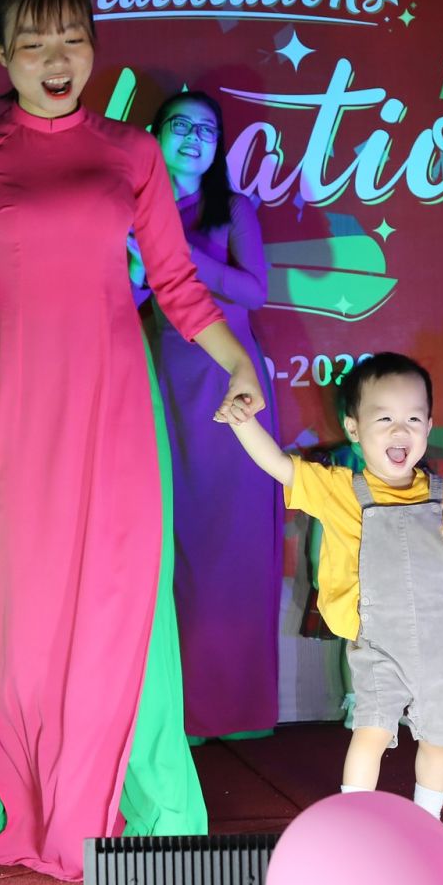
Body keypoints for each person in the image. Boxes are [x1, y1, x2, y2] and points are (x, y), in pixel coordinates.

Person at [0, 0, 265, 882]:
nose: (56, 60)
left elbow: (177, 285)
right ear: (0, 51)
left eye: (73, 40)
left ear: (93, 47)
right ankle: (30, 797)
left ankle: (132, 794)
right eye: (35, 42)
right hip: (16, 411)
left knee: (123, 599)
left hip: (117, 406)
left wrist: (237, 362)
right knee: (19, 608)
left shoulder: (132, 153)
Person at [222, 353, 443, 842]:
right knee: (371, 732)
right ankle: (354, 824)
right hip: (379, 645)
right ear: (354, 428)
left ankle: (428, 826)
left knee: (439, 739)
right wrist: (244, 424)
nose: (400, 430)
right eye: (384, 418)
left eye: (413, 419)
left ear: (429, 426)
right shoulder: (341, 490)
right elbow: (281, 467)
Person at [144, 89, 282, 741]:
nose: (194, 138)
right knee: (182, 543)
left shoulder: (234, 209)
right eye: (180, 126)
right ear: (154, 136)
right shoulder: (135, 209)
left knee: (238, 543)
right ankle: (187, 714)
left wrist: (176, 251)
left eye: (206, 129)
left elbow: (254, 290)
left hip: (234, 384)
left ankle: (242, 709)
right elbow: (129, 292)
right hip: (168, 383)